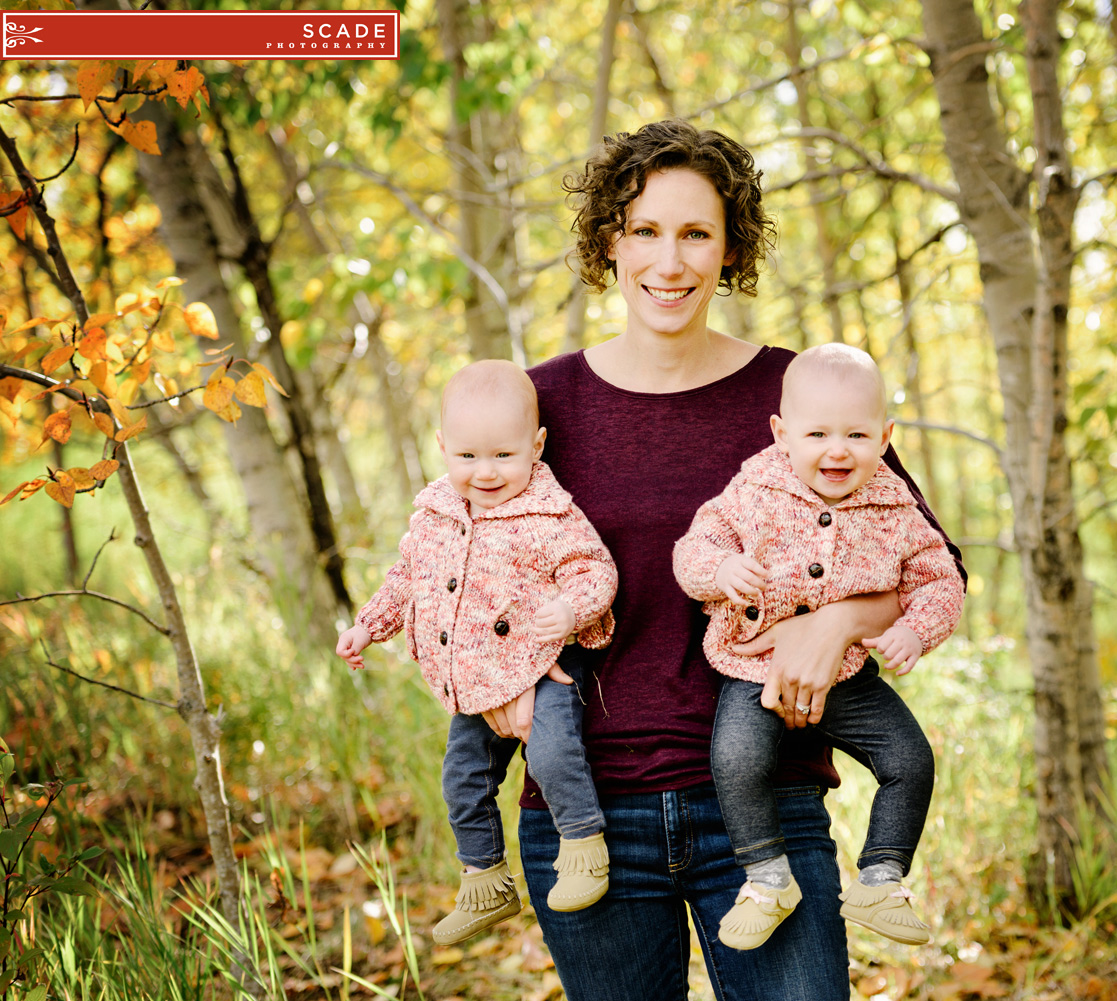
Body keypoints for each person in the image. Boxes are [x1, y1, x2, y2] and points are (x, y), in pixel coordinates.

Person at [489, 120, 962, 1001]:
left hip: (767, 798)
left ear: (730, 246)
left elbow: (932, 562)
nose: (669, 261)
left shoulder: (805, 396)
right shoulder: (541, 402)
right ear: (609, 241)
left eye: (696, 232)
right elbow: (465, 573)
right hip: (589, 813)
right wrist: (500, 687)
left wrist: (840, 622)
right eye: (645, 231)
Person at [673, 343, 964, 951]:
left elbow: (940, 577)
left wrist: (916, 628)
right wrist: (721, 569)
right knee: (736, 760)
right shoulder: (754, 490)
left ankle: (881, 879)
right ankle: (766, 878)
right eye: (819, 433)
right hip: (754, 666)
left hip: (850, 672)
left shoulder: (894, 506)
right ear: (783, 433)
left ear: (885, 437)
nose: (838, 450)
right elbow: (697, 545)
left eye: (857, 434)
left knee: (910, 760)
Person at [335, 360, 618, 947]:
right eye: (467, 457)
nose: (485, 473)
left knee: (553, 754)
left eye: (502, 456)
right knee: (462, 780)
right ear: (442, 447)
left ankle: (585, 846)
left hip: (539, 667)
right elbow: (407, 576)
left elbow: (596, 570)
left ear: (535, 447)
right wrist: (368, 625)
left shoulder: (550, 515)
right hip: (469, 677)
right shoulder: (436, 513)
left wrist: (570, 609)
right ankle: (484, 880)